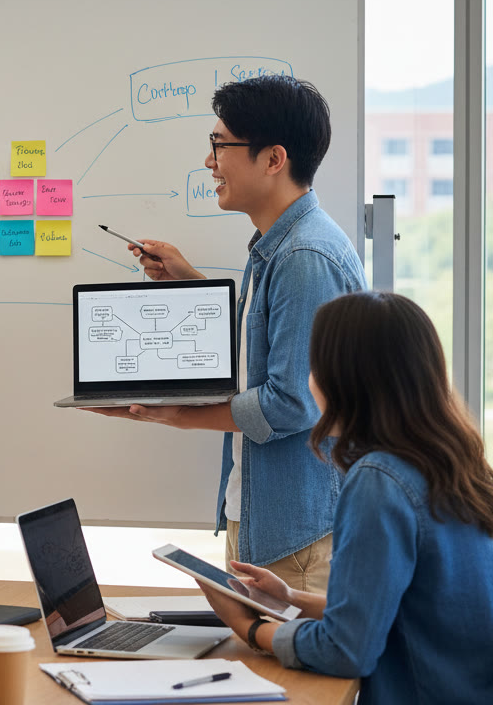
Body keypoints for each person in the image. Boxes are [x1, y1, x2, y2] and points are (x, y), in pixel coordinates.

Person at [84, 75, 366, 593]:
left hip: (296, 538)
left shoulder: (304, 257)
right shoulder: (277, 245)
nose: (210, 162)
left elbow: (291, 402)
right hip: (269, 520)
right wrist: (188, 279)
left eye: (219, 145)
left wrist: (179, 416)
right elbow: (261, 347)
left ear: (273, 158)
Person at [197, 291, 493, 705]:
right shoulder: (454, 462)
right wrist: (289, 601)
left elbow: (346, 651)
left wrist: (249, 629)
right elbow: (400, 611)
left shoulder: (380, 481)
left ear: (343, 379)